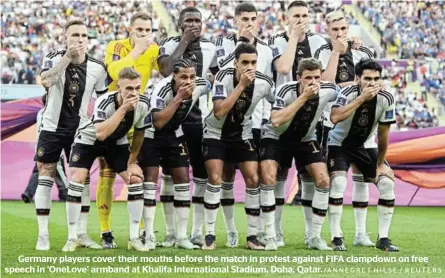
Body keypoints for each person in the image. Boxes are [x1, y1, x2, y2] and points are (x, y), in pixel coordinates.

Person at [34, 19, 108, 251]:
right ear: (65, 37)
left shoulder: (97, 67)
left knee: (82, 180)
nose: (79, 39)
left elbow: (103, 100)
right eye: (74, 35)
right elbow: (46, 81)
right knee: (45, 175)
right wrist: (67, 57)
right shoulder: (54, 58)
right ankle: (43, 235)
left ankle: (80, 234)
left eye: (84, 36)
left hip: (81, 131)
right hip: (51, 128)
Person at [65, 67, 151, 252]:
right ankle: (72, 238)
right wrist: (124, 108)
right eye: (129, 88)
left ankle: (134, 238)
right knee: (77, 179)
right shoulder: (105, 101)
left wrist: (131, 162)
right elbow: (101, 133)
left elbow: (139, 133)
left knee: (135, 178)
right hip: (89, 140)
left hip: (116, 143)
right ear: (118, 86)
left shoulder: (144, 103)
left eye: (137, 88)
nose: (134, 93)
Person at [266, 0, 330, 247]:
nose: (301, 19)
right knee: (274, 176)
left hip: (308, 128)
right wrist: (293, 36)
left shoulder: (319, 42)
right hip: (280, 119)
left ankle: (313, 235)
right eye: (296, 16)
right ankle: (275, 233)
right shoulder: (275, 41)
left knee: (318, 178)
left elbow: (330, 79)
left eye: (304, 15)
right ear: (286, 18)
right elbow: (282, 68)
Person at [215, 2, 278, 248]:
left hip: (256, 119)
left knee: (258, 177)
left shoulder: (267, 49)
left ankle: (260, 231)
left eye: (253, 18)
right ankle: (231, 230)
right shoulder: (222, 44)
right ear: (236, 21)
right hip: (226, 120)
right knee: (227, 176)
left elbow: (269, 83)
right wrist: (242, 43)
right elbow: (218, 75)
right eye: (244, 19)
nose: (249, 22)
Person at [201, 43, 275, 250]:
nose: (249, 67)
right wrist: (241, 85)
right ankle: (209, 235)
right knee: (215, 178)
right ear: (235, 63)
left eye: (253, 62)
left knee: (253, 178)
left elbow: (277, 102)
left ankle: (252, 236)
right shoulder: (222, 78)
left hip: (243, 134)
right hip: (215, 133)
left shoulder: (264, 82)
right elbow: (219, 112)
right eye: (245, 62)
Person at [157, 6, 218, 247]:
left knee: (201, 176)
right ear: (181, 24)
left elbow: (217, 77)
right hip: (171, 119)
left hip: (199, 120)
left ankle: (195, 231)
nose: (194, 24)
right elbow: (165, 69)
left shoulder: (211, 47)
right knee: (170, 174)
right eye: (189, 20)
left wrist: (212, 81)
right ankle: (171, 232)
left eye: (197, 20)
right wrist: (184, 41)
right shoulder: (170, 44)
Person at [317, 10, 378, 247]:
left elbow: (371, 80)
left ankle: (361, 233)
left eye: (343, 29)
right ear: (327, 30)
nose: (340, 34)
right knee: (337, 181)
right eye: (335, 30)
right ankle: (333, 234)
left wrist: (355, 86)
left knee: (361, 180)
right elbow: (327, 84)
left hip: (361, 122)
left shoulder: (363, 51)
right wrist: (335, 52)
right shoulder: (323, 51)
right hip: (331, 122)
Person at [98, 12, 159, 248]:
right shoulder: (116, 46)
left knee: (137, 172)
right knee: (108, 173)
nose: (143, 34)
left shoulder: (154, 49)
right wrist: (137, 51)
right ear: (129, 29)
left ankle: (141, 231)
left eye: (147, 30)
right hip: (113, 114)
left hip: (137, 117)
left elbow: (166, 69)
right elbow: (115, 73)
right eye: (139, 30)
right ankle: (106, 232)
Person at [262, 58, 337, 251]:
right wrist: (303, 97)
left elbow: (346, 93)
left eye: (316, 77)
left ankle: (314, 236)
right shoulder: (286, 90)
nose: (313, 82)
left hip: (305, 139)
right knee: (270, 178)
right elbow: (276, 120)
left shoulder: (327, 90)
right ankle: (272, 235)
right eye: (308, 78)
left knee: (323, 179)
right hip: (276, 138)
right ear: (298, 78)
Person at [327, 58, 399, 252]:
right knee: (339, 183)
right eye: (367, 78)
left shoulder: (387, 98)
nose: (372, 83)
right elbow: (334, 117)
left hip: (366, 145)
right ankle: (336, 237)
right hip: (338, 143)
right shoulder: (347, 92)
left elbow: (383, 136)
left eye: (376, 78)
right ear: (357, 78)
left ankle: (381, 238)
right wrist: (361, 99)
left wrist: (381, 164)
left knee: (387, 184)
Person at [140, 59, 211, 249]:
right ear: (174, 76)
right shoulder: (161, 89)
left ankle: (180, 237)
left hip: (174, 135)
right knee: (150, 183)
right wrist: (179, 98)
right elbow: (158, 122)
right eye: (183, 77)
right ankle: (150, 236)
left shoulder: (199, 85)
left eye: (192, 77)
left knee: (182, 179)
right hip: (152, 136)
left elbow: (212, 82)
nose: (188, 81)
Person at [22, 95, 68, 204]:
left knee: (39, 170)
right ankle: (65, 193)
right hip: (53, 146)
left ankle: (28, 193)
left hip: (40, 146)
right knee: (58, 170)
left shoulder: (40, 113)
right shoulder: (55, 114)